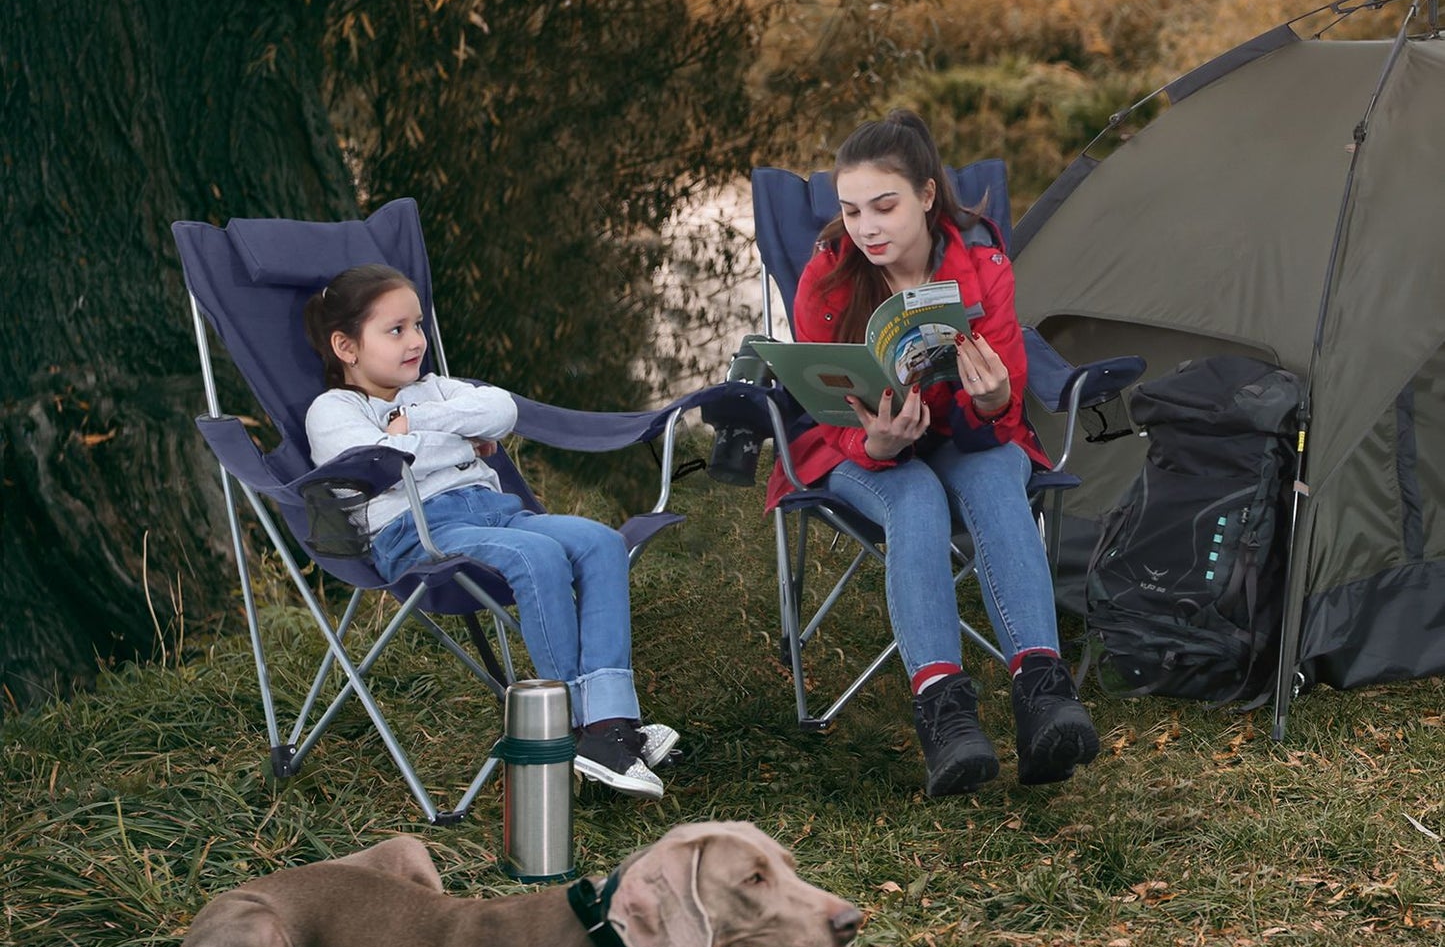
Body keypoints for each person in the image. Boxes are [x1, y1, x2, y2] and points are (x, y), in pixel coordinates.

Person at [764, 109, 1099, 795]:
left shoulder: (982, 267)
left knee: (994, 479)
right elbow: (821, 407)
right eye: (851, 210)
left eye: (883, 206)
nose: (867, 228)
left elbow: (1002, 403)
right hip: (859, 450)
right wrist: (873, 441)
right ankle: (946, 719)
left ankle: (1043, 701)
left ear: (924, 194)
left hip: (967, 438)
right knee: (914, 498)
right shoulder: (826, 280)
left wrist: (989, 397)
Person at [303, 263, 676, 798]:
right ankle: (571, 725)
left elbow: (500, 409)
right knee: (537, 557)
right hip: (417, 534)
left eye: (417, 325)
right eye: (396, 330)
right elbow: (380, 462)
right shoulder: (334, 409)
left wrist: (421, 425)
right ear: (346, 346)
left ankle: (609, 724)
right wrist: (462, 439)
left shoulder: (433, 390)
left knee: (600, 542)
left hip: (497, 513)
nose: (416, 341)